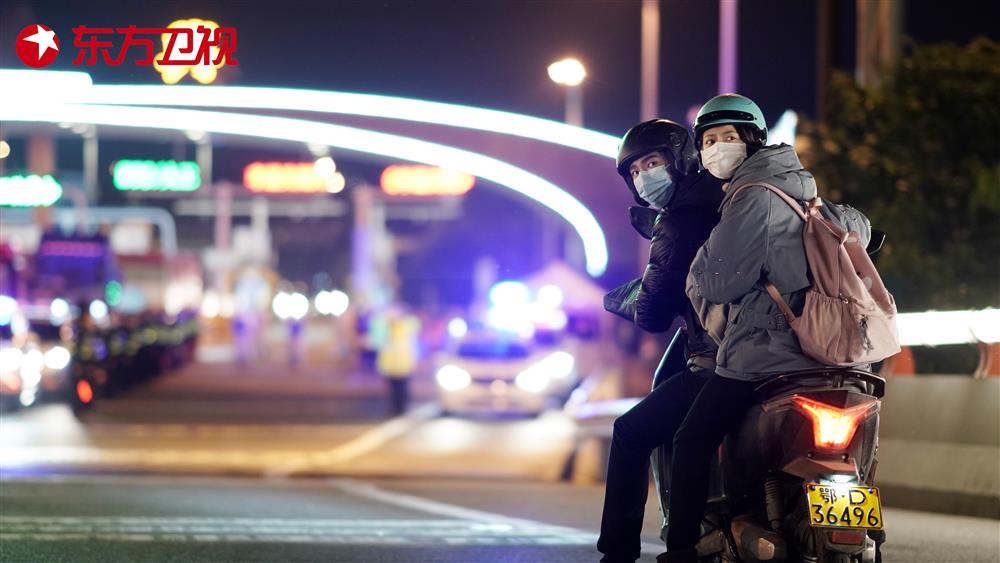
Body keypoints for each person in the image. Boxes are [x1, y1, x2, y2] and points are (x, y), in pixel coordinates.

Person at [661, 94, 871, 562]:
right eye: (708, 140)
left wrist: (700, 266)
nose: (717, 148)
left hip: (765, 353)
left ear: (752, 140)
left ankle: (680, 552)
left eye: (728, 137)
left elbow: (721, 282)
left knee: (690, 441)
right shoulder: (801, 187)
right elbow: (861, 227)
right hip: (830, 354)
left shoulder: (751, 196)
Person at [597, 119, 726, 563]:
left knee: (630, 432)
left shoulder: (678, 221)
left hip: (719, 355)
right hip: (783, 352)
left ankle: (619, 553)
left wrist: (621, 300)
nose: (643, 177)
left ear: (681, 159)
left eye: (652, 163)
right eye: (634, 172)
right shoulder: (732, 199)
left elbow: (652, 315)